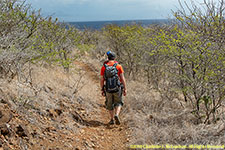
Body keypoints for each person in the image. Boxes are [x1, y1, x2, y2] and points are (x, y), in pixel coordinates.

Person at [100, 51, 127, 125]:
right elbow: (122, 78)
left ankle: (112, 119)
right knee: (118, 102)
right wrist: (125, 88)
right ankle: (117, 115)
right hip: (117, 88)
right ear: (114, 58)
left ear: (108, 58)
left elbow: (102, 79)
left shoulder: (104, 67)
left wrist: (102, 89)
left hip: (108, 89)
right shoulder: (118, 66)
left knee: (109, 104)